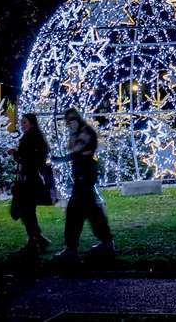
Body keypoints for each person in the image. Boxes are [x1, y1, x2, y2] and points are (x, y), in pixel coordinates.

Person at [53, 108, 115, 262]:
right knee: (88, 211)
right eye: (68, 121)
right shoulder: (80, 132)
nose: (69, 123)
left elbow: (75, 149)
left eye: (71, 120)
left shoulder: (86, 132)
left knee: (80, 211)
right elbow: (73, 149)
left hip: (85, 177)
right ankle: (103, 243)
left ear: (77, 118)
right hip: (82, 177)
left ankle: (73, 248)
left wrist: (60, 159)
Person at [8, 113, 52, 254]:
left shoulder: (29, 138)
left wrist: (15, 154)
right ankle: (36, 240)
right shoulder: (37, 137)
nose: (22, 124)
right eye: (22, 122)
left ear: (31, 123)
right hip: (32, 179)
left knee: (25, 210)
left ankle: (36, 240)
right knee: (27, 211)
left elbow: (26, 158)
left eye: (25, 122)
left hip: (28, 180)